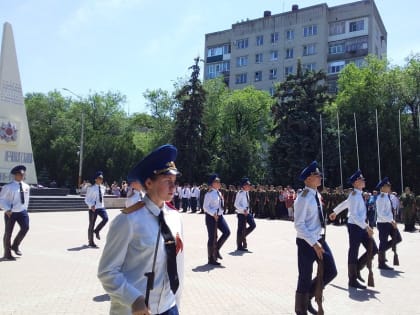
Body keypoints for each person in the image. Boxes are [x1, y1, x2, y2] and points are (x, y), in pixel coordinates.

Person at [98, 144, 184, 315]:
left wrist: (176, 304)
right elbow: (107, 271)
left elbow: (178, 266)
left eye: (174, 182)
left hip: (168, 306)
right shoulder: (128, 221)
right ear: (149, 183)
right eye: (167, 181)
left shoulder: (175, 218)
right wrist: (133, 299)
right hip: (136, 310)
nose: (173, 188)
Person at [294, 161, 337, 315]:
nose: (320, 177)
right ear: (308, 179)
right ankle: (301, 309)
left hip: (319, 240)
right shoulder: (303, 197)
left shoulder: (317, 194)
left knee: (331, 271)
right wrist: (314, 243)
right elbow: (298, 224)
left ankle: (308, 298)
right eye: (316, 175)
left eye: (319, 174)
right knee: (305, 276)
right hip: (307, 242)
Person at [329, 170, 378, 289]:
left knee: (374, 249)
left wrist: (335, 211)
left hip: (360, 225)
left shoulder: (358, 194)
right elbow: (354, 215)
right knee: (354, 251)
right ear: (356, 182)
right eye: (362, 179)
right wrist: (366, 227)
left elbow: (346, 203)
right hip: (355, 226)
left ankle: (357, 269)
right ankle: (352, 279)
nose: (364, 181)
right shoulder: (354, 195)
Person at [0, 165, 30, 260]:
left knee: (25, 228)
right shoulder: (8, 187)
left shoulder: (26, 186)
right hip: (11, 212)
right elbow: (2, 199)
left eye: (23, 174)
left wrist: (25, 209)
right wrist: (7, 209)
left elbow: (26, 199)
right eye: (20, 174)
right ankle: (7, 254)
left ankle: (15, 245)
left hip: (22, 211)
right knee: (8, 233)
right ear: (15, 175)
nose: (22, 176)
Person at [203, 174, 231, 266]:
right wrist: (213, 213)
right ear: (212, 183)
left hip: (219, 217)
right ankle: (211, 258)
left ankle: (216, 249)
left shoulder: (219, 192)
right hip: (211, 217)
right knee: (212, 237)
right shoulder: (209, 194)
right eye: (217, 181)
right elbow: (205, 207)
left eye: (219, 181)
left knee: (227, 232)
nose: (219, 183)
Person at [375, 177, 402, 270]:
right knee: (383, 242)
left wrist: (391, 221)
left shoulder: (387, 196)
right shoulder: (381, 198)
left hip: (389, 222)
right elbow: (381, 214)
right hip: (383, 223)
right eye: (387, 185)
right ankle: (381, 263)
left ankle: (381, 253)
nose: (389, 187)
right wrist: (392, 221)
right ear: (382, 187)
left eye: (390, 185)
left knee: (398, 238)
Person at [84, 171, 109, 248]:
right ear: (96, 179)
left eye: (102, 178)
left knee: (106, 218)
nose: (101, 179)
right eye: (99, 178)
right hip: (93, 208)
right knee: (91, 224)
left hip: (101, 207)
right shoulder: (91, 188)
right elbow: (86, 199)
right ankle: (91, 242)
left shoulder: (103, 188)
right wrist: (91, 205)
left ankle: (97, 230)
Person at [234, 177, 256, 251]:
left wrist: (248, 211)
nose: (249, 186)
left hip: (247, 213)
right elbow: (236, 204)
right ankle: (239, 246)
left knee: (253, 225)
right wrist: (243, 210)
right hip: (241, 213)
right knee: (240, 229)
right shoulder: (240, 193)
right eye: (248, 185)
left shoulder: (247, 192)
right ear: (244, 186)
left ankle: (242, 237)